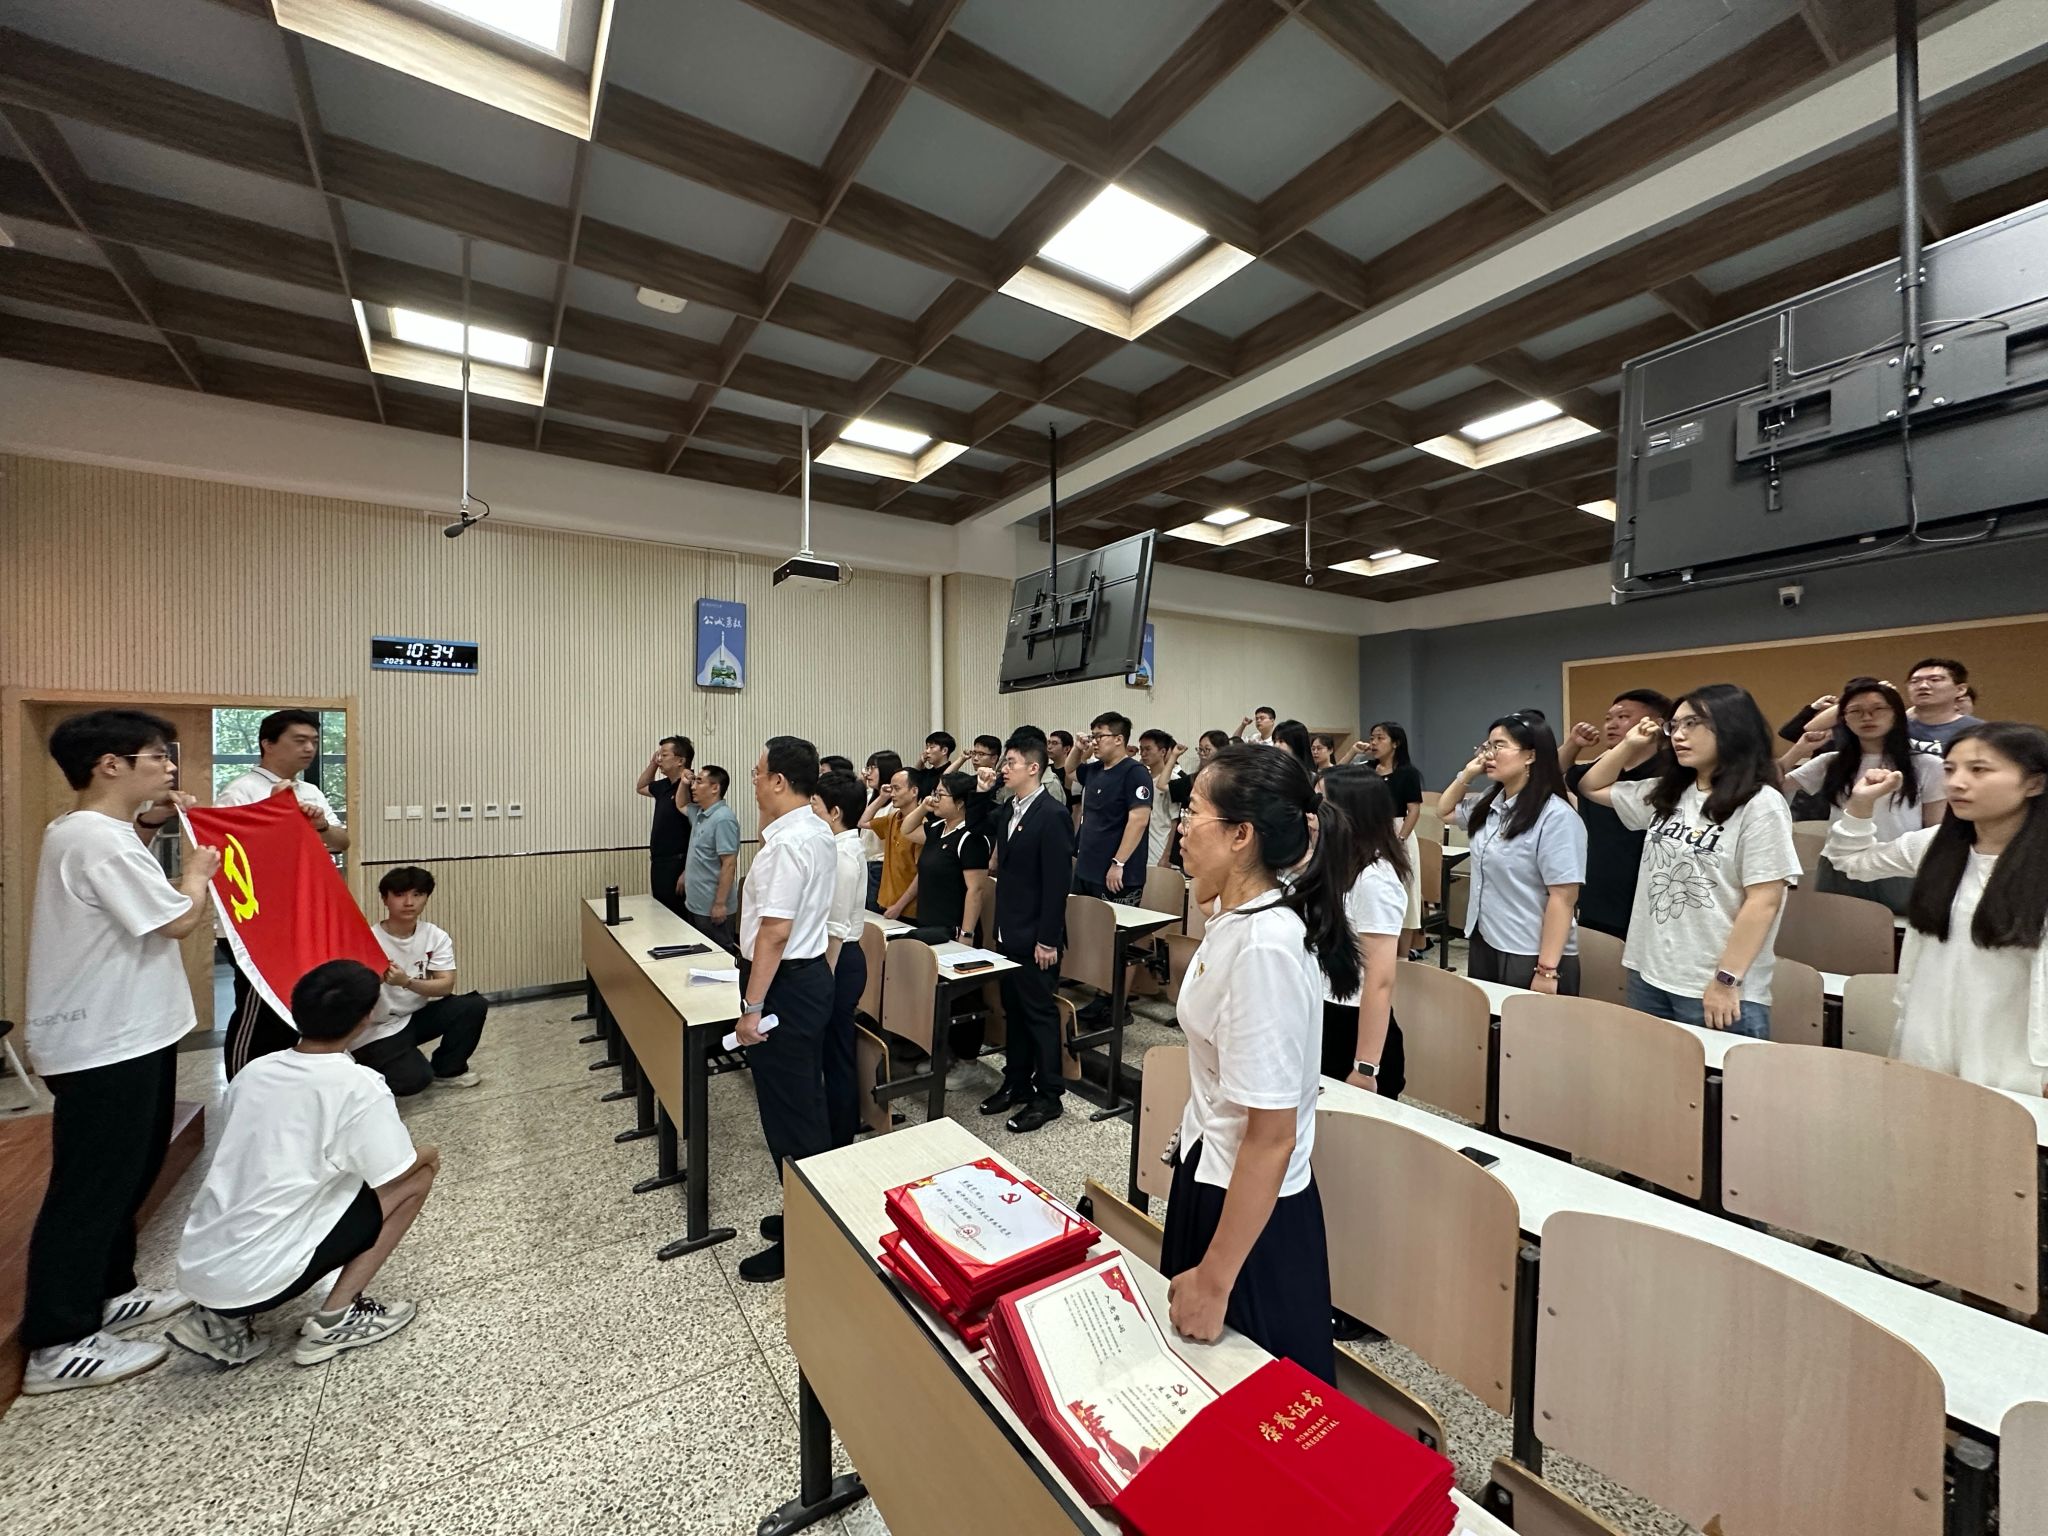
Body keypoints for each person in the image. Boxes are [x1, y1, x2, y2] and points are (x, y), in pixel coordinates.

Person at [21, 711, 221, 1395]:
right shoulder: (92, 839)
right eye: (157, 755)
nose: (169, 766)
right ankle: (57, 1342)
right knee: (90, 1187)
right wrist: (196, 871)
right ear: (111, 764)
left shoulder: (98, 833)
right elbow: (178, 919)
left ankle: (109, 1291)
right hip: (103, 1042)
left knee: (130, 1171)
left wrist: (157, 826)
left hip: (134, 1032)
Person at [1160, 744, 1359, 1384]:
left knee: (1258, 1403)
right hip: (1212, 1173)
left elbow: (1272, 1137)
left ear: (1241, 835)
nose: (1181, 827)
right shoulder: (1241, 916)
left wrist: (1215, 1280)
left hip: (1248, 1213)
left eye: (1193, 813)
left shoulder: (1265, 947)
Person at [168, 960, 434, 1367]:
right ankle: (338, 1318)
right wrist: (429, 1153)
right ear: (366, 1018)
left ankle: (222, 1321)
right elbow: (395, 1171)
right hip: (257, 1278)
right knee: (418, 1178)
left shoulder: (254, 1071)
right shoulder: (358, 1085)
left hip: (199, 1268)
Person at [1820, 724, 2048, 1092]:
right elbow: (1850, 860)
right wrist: (1861, 803)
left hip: (2010, 1051)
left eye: (1979, 770)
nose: (1956, 783)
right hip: (1928, 1034)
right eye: (1949, 769)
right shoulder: (1936, 846)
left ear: (2034, 784)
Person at [1577, 684, 1802, 1037]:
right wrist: (1630, 744)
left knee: (1719, 1073)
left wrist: (1726, 979)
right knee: (1653, 1068)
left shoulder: (1761, 804)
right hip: (1648, 972)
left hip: (1713, 982)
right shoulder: (1669, 792)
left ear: (1731, 727)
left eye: (1692, 723)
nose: (1679, 735)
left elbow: (1764, 900)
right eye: (1675, 725)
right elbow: (1591, 786)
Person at [735, 735, 837, 1282]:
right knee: (802, 1104)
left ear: (779, 780)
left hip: (783, 985)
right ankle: (807, 1210)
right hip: (808, 978)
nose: (753, 781)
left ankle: (810, 1236)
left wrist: (752, 1006)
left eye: (758, 773)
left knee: (791, 1116)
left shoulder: (786, 845)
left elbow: (773, 933)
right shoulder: (814, 830)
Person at [218, 707, 351, 1078]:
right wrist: (275, 811)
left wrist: (320, 824)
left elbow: (341, 842)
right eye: (299, 740)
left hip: (301, 916)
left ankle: (282, 1085)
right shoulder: (240, 791)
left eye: (314, 741)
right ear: (268, 744)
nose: (309, 748)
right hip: (256, 922)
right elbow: (233, 858)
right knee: (257, 1008)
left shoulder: (310, 790)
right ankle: (242, 1086)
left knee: (294, 1004)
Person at [1437, 715, 1586, 993]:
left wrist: (1547, 969)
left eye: (1499, 746)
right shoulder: (1490, 802)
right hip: (1486, 935)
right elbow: (1444, 811)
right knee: (1489, 1018)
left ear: (1530, 755)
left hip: (1530, 949)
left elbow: (1563, 897)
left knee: (1525, 1021)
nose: (1488, 755)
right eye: (1487, 746)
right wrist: (1467, 774)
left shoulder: (1556, 816)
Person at [1779, 677, 1946, 912]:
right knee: (1836, 927)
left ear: (1896, 715)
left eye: (1878, 709)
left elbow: (1935, 827)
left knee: (1898, 931)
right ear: (1844, 719)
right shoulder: (1831, 762)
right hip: (1839, 863)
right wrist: (1798, 750)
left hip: (1898, 863)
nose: (1867, 717)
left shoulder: (1927, 765)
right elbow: (1772, 786)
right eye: (1856, 711)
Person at [983, 734, 1075, 1134]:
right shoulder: (1009, 808)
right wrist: (982, 790)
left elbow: (1057, 883)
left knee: (1039, 1015)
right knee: (1014, 1011)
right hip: (1008, 930)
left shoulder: (1052, 814)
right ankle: (1016, 1081)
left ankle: (1049, 1094)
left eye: (1012, 763)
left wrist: (1048, 939)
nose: (1004, 769)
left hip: (1037, 936)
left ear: (1034, 768)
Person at [1316, 767, 1409, 1098]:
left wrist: (1365, 1067)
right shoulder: (1335, 863)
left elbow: (1379, 981)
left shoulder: (1375, 880)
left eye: (1321, 803)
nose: (1311, 814)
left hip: (1354, 1027)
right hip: (1324, 1011)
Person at [355, 866, 489, 1094]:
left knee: (472, 1006)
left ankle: (448, 1070)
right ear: (385, 899)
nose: (409, 902)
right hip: (375, 1029)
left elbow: (445, 986)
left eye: (417, 894)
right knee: (414, 1081)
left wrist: (406, 982)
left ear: (426, 898)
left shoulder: (435, 936)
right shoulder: (367, 939)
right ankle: (366, 1071)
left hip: (412, 1017)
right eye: (400, 895)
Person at [1558, 690, 1675, 940]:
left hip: (1648, 901)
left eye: (1623, 717)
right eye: (1608, 718)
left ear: (1657, 724)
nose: (1611, 724)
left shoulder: (1673, 774)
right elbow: (1550, 776)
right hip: (1596, 894)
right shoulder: (1598, 770)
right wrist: (1573, 744)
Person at [908, 771, 996, 1089]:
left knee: (964, 999)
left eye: (941, 794)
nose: (934, 799)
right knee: (938, 995)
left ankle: (969, 1062)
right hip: (931, 924)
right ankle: (946, 1054)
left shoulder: (970, 838)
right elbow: (906, 829)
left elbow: (976, 890)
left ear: (960, 803)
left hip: (957, 929)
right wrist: (925, 805)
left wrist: (967, 936)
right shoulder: (937, 829)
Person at [812, 771, 870, 1149]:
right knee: (831, 1050)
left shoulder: (844, 857)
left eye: (815, 805)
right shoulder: (835, 848)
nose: (809, 810)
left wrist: (823, 981)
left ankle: (840, 1137)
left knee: (837, 1054)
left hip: (839, 961)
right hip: (834, 958)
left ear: (834, 812)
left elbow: (835, 929)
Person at [1361, 722, 1426, 958]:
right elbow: (1333, 774)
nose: (1374, 743)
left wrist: (1400, 839)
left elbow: (1414, 811)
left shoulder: (1407, 772)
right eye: (1372, 738)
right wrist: (1354, 752)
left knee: (1406, 892)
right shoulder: (1367, 769)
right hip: (1371, 831)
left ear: (1395, 743)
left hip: (1399, 831)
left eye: (1380, 738)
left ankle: (1403, 956)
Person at [1073, 712, 1151, 906]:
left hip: (1116, 872)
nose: (1094, 742)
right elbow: (1070, 769)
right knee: (1079, 921)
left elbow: (1139, 820)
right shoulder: (1095, 769)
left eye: (1100, 736)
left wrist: (1118, 863)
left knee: (1112, 924)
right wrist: (1078, 748)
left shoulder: (1135, 772)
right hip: (1087, 868)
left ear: (1118, 739)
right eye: (1093, 736)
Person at [682, 764, 743, 951]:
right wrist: (683, 783)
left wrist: (720, 904)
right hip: (695, 904)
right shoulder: (700, 813)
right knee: (700, 956)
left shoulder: (723, 818)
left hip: (712, 909)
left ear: (715, 788)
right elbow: (680, 804)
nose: (693, 786)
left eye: (699, 782)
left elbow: (729, 864)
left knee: (719, 956)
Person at [634, 735, 695, 921]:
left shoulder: (692, 786)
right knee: (661, 917)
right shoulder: (663, 786)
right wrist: (653, 763)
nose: (660, 759)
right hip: (659, 862)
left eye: (664, 755)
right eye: (658, 755)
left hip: (679, 863)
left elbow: (699, 831)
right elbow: (641, 786)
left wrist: (688, 870)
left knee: (678, 920)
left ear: (680, 761)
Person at [1903, 657, 1984, 752]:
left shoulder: (1978, 730)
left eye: (1934, 680)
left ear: (1960, 690)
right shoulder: (1895, 726)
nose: (1923, 686)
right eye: (1915, 681)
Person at [875, 768, 925, 920]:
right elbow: (862, 822)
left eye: (897, 789)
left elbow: (922, 873)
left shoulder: (922, 827)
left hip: (907, 908)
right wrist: (881, 798)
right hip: (886, 901)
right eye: (891, 789)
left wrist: (899, 906)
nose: (892, 794)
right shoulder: (893, 817)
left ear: (914, 791)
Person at [857, 750, 902, 908]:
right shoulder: (871, 797)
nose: (868, 773)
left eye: (872, 768)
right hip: (865, 862)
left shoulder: (895, 804)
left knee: (875, 911)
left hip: (880, 865)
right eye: (867, 768)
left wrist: (883, 798)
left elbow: (863, 823)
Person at [1137, 729, 1186, 867]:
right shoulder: (1141, 778)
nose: (1143, 753)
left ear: (1163, 752)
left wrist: (1167, 856)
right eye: (1141, 749)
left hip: (1160, 852)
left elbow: (1175, 821)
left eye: (1148, 749)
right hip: (1142, 850)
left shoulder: (1173, 780)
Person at [911, 731, 956, 797]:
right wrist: (921, 761)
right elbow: (912, 776)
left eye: (931, 747)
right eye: (927, 747)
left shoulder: (953, 776)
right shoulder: (928, 773)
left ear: (944, 751)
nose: (927, 751)